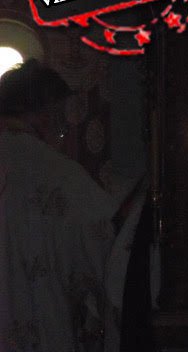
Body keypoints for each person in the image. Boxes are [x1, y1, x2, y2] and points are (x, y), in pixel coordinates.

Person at [0, 59, 119, 352]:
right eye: (62, 127)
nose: (61, 137)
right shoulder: (62, 177)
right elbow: (113, 258)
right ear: (47, 115)